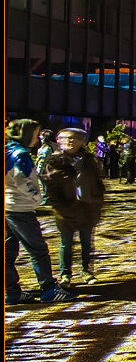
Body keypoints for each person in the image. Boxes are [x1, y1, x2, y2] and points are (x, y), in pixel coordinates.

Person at [5, 119, 75, 304]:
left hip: (7, 206)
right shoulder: (20, 154)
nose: (38, 138)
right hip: (21, 208)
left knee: (8, 252)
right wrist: (36, 197)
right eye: (36, 134)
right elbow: (24, 181)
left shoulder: (7, 151)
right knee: (38, 250)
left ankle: (11, 291)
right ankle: (49, 289)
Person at [41, 128, 106, 288]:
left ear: (81, 141)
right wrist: (61, 208)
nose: (69, 141)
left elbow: (98, 184)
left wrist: (97, 203)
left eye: (73, 138)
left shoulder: (89, 160)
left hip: (87, 209)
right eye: (64, 138)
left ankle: (86, 271)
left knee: (86, 242)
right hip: (66, 210)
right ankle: (65, 275)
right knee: (66, 242)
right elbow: (50, 188)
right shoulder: (55, 160)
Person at [35, 129, 56, 203]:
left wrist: (38, 171)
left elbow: (42, 161)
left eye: (41, 137)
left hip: (45, 170)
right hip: (48, 169)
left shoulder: (46, 149)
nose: (40, 139)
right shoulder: (51, 146)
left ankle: (46, 198)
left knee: (43, 184)